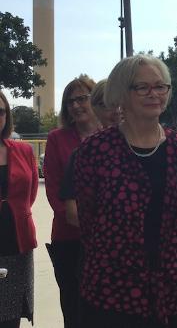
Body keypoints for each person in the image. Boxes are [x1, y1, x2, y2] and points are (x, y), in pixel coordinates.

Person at [74, 55, 177, 327]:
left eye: (160, 86)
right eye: (142, 87)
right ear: (121, 94)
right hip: (112, 286)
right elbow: (88, 220)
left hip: (173, 283)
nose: (154, 94)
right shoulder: (94, 150)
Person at [43, 74, 100, 328]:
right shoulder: (58, 138)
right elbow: (54, 190)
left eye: (82, 98)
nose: (75, 106)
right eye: (70, 102)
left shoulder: (112, 135)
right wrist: (79, 219)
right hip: (69, 237)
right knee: (74, 306)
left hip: (108, 241)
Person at [58, 79, 122, 227]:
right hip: (90, 239)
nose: (117, 110)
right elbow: (70, 209)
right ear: (96, 107)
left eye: (81, 99)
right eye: (106, 105)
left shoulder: (150, 148)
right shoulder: (84, 152)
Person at [0, 91, 39, 328]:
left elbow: (30, 194)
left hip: (17, 246)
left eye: (1, 111)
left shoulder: (23, 151)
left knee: (10, 318)